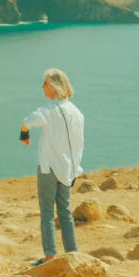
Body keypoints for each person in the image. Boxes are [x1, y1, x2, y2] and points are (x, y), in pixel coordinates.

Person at [19, 68, 84, 265]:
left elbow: (27, 122)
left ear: (54, 87)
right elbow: (79, 144)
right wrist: (74, 170)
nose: (42, 87)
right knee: (65, 211)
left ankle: (49, 256)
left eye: (45, 83)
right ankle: (73, 253)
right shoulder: (77, 113)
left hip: (48, 168)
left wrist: (24, 134)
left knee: (47, 212)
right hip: (68, 169)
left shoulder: (48, 110)